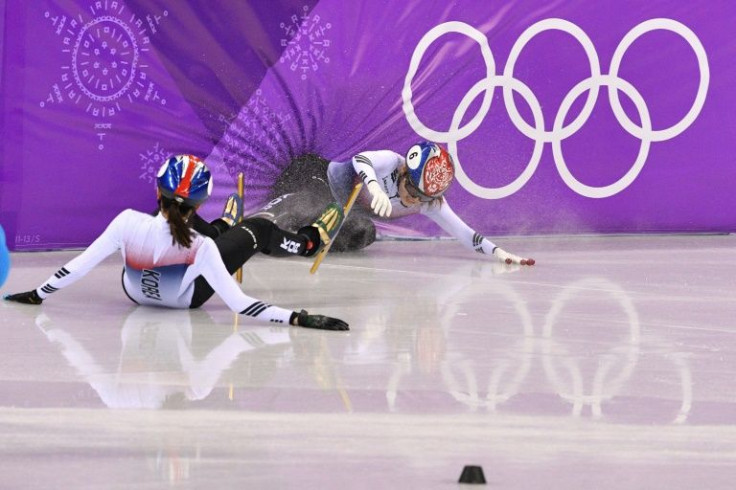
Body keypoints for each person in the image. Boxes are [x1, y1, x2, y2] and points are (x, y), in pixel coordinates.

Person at [3, 154, 349, 330]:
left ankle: (222, 225)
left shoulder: (126, 221)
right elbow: (241, 305)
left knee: (207, 236)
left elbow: (79, 266)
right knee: (258, 228)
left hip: (134, 293)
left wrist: (37, 294)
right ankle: (308, 243)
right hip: (186, 299)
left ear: (157, 192)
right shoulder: (202, 248)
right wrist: (299, 319)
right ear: (199, 205)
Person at [252, 142, 535, 264]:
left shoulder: (428, 202)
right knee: (308, 202)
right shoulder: (391, 160)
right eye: (412, 188)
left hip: (338, 209)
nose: (414, 199)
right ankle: (253, 227)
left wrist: (498, 253)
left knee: (364, 232)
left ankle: (292, 237)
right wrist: (373, 188)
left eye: (423, 197)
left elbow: (465, 234)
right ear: (404, 171)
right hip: (313, 175)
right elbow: (362, 161)